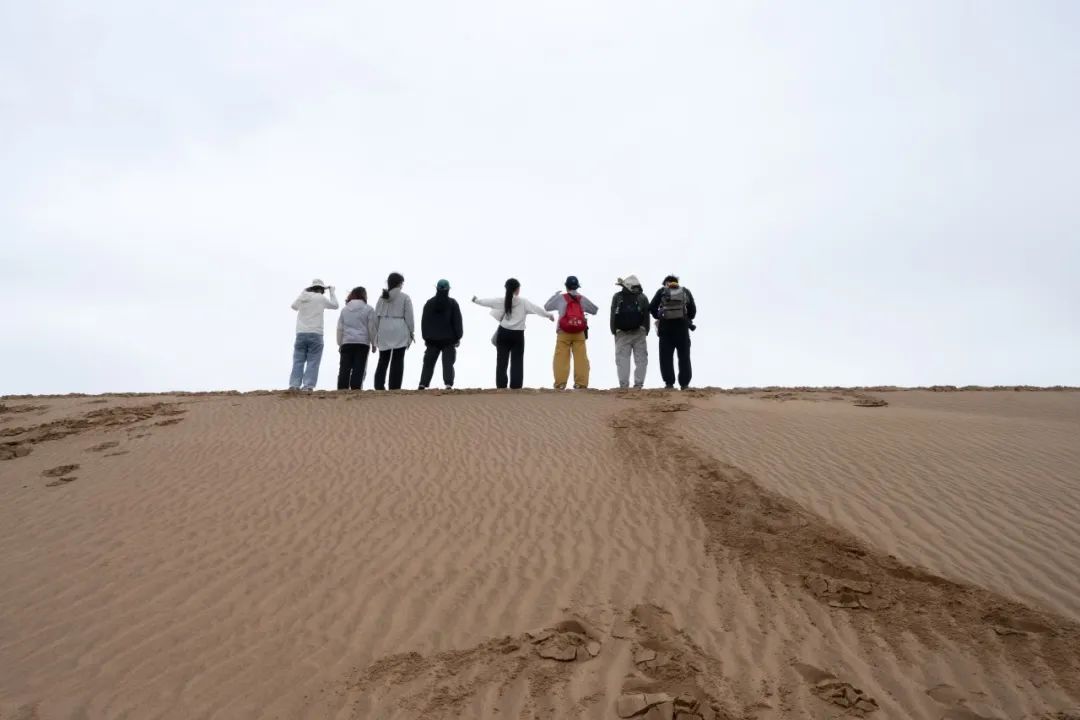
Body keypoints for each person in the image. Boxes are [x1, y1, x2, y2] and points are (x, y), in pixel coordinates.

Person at [472, 278, 554, 389]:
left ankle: (501, 386)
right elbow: (537, 309)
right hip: (518, 335)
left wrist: (476, 300)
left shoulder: (502, 300)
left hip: (503, 333)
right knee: (517, 362)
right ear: (517, 289)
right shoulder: (523, 302)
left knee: (501, 361)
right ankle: (516, 387)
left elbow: (487, 302)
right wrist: (549, 315)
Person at [544, 276, 599, 390]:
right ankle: (581, 384)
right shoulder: (581, 298)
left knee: (561, 358)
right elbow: (594, 310)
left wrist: (555, 296)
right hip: (579, 332)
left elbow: (547, 307)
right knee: (581, 358)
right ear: (577, 286)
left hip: (563, 331)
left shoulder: (561, 298)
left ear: (566, 286)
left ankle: (560, 384)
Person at [289, 279, 339, 391]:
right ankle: (308, 386)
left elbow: (294, 306)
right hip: (316, 334)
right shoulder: (320, 298)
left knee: (298, 361)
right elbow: (335, 305)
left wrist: (303, 292)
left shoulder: (303, 297)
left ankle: (294, 385)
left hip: (301, 333)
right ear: (321, 289)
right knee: (313, 362)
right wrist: (332, 292)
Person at [650, 275, 697, 390]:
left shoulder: (661, 292)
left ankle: (669, 383)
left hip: (665, 329)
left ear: (665, 283)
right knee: (684, 357)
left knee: (666, 357)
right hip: (682, 329)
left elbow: (651, 307)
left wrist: (659, 315)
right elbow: (693, 311)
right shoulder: (685, 291)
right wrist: (686, 318)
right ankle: (684, 384)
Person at [418, 279, 464, 390]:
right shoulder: (453, 303)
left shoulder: (429, 303)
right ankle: (448, 384)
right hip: (449, 339)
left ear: (436, 288)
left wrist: (426, 337)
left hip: (432, 339)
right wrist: (458, 337)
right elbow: (457, 321)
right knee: (448, 362)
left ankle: (423, 384)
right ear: (448, 289)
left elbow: (424, 322)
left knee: (428, 363)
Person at [373, 272, 415, 390]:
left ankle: (379, 385)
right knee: (398, 359)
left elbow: (375, 317)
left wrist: (378, 331)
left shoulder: (382, 297)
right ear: (400, 283)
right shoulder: (405, 297)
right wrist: (411, 331)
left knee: (383, 359)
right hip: (399, 328)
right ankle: (395, 386)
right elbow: (409, 317)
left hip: (384, 328)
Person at [610, 275, 651, 389]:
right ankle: (638, 384)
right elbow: (646, 316)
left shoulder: (617, 296)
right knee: (641, 359)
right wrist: (645, 330)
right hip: (639, 332)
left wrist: (614, 330)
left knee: (623, 359)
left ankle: (624, 385)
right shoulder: (642, 297)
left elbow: (613, 314)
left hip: (621, 333)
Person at [336, 286, 376, 390]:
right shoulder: (369, 309)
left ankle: (342, 390)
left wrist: (340, 343)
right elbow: (371, 328)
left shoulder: (345, 310)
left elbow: (340, 328)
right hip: (362, 343)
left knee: (344, 368)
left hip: (347, 342)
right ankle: (356, 389)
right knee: (359, 368)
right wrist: (374, 343)